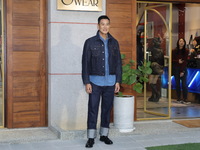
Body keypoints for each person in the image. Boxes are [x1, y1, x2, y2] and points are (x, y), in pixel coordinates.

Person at [82, 15, 122, 148]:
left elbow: (118, 63)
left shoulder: (114, 42)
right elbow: (85, 63)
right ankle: (91, 137)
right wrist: (87, 81)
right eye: (102, 24)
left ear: (110, 26)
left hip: (110, 82)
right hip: (94, 82)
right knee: (93, 109)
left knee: (107, 110)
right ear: (98, 26)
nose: (105, 27)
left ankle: (104, 135)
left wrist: (118, 81)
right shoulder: (90, 42)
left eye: (107, 24)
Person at [172, 38, 189, 103]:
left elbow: (185, 61)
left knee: (184, 84)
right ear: (178, 42)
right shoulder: (174, 51)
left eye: (183, 41)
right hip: (176, 69)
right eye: (180, 41)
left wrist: (182, 71)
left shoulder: (186, 51)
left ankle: (185, 98)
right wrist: (177, 61)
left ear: (184, 43)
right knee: (177, 84)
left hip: (183, 68)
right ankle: (178, 97)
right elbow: (172, 60)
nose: (181, 42)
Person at [147, 37, 164, 102]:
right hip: (159, 67)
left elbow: (149, 57)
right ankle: (154, 95)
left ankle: (156, 94)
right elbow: (162, 60)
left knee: (151, 82)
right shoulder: (161, 50)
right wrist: (162, 67)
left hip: (153, 66)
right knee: (154, 82)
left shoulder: (151, 49)